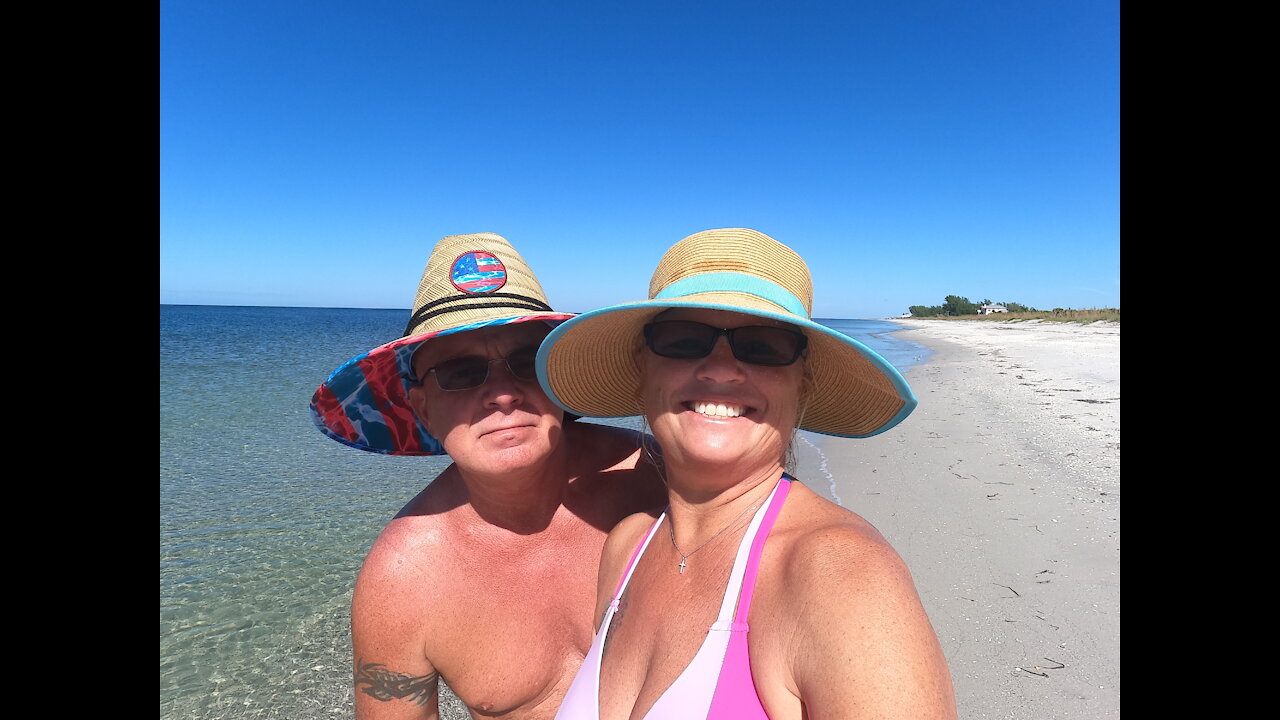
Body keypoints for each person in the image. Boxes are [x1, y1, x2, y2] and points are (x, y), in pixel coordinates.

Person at [536, 228, 957, 719]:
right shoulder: (627, 545)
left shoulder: (843, 576)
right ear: (641, 368)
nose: (721, 369)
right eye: (684, 340)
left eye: (763, 345)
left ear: (803, 382)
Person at [310, 232, 667, 720]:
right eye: (460, 372)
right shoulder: (402, 580)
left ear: (557, 378)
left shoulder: (657, 477)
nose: (502, 394)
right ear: (423, 410)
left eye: (526, 363)